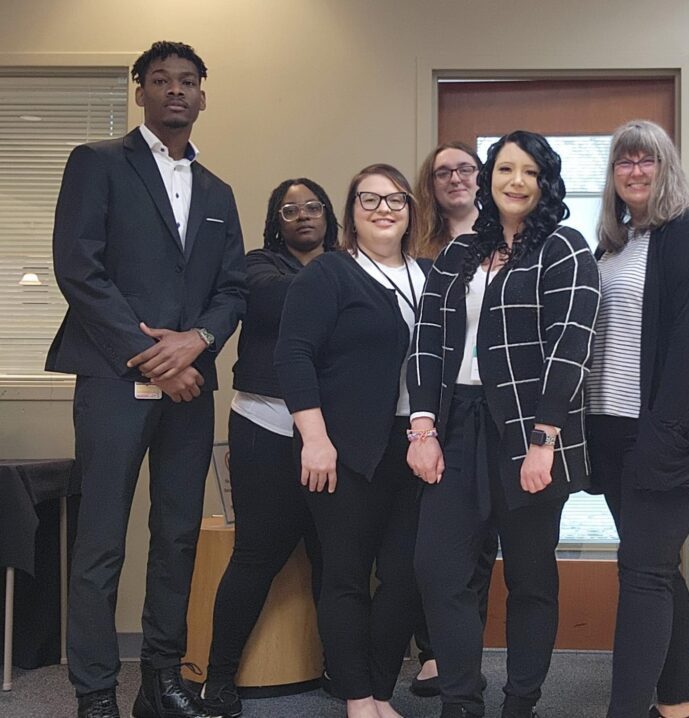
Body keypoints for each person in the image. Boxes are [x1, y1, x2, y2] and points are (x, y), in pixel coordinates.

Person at [46, 40, 247, 718]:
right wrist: (154, 356)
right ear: (140, 92)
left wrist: (199, 342)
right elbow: (79, 268)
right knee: (101, 540)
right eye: (159, 80)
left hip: (192, 389)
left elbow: (231, 290)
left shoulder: (218, 192)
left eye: (188, 81)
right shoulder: (98, 164)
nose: (175, 91)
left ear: (203, 95)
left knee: (178, 537)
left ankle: (160, 684)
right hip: (112, 379)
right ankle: (96, 692)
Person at [408, 130, 600, 718]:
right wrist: (422, 426)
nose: (515, 182)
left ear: (545, 183)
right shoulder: (460, 253)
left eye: (529, 172)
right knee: (439, 568)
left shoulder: (564, 247)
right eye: (504, 169)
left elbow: (571, 348)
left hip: (530, 429)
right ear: (488, 180)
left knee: (530, 577)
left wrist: (545, 439)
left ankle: (522, 702)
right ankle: (461, 697)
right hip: (457, 422)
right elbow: (428, 338)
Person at [586, 120, 689, 718]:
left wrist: (661, 439)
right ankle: (676, 703)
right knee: (657, 568)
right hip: (615, 430)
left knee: (642, 573)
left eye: (645, 160)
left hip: (667, 437)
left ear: (665, 166)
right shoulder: (615, 242)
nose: (634, 171)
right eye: (623, 162)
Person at [275, 164, 428, 718]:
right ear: (352, 213)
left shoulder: (430, 276)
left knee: (409, 572)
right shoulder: (330, 275)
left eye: (395, 199)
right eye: (369, 199)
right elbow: (293, 356)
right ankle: (358, 699)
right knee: (344, 574)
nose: (383, 209)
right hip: (340, 449)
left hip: (415, 446)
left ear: (411, 210)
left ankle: (382, 689)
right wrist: (313, 438)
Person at [198, 178, 339, 717]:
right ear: (275, 221)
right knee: (255, 556)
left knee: (337, 558)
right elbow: (282, 302)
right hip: (265, 424)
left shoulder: (349, 265)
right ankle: (218, 679)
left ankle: (341, 669)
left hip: (336, 431)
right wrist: (343, 281)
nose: (302, 216)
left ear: (328, 214)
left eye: (312, 207)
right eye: (289, 210)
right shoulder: (257, 267)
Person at [410, 141, 498, 698]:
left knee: (474, 545)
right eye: (443, 171)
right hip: (412, 409)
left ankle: (455, 657)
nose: (456, 179)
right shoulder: (412, 239)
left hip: (468, 411)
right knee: (424, 549)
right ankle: (431, 648)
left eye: (466, 169)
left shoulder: (503, 242)